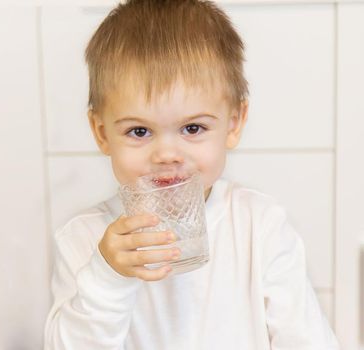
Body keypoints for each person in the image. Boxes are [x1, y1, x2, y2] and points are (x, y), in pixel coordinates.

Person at [42, 0, 340, 349]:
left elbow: (306, 340)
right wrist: (108, 276)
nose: (167, 154)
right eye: (139, 131)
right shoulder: (84, 239)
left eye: (193, 128)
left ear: (233, 124)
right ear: (102, 133)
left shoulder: (259, 226)